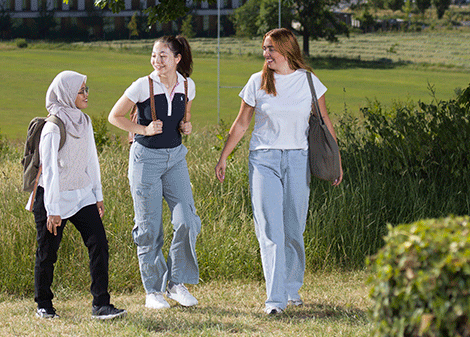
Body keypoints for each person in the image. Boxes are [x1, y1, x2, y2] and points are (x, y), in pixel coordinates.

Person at [214, 28, 343, 316]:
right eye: (264, 48)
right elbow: (241, 124)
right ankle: (275, 300)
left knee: (294, 228)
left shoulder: (309, 82)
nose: (266, 54)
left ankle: (291, 288)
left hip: (298, 158)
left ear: (286, 49)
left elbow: (324, 121)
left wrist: (337, 159)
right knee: (270, 229)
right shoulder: (257, 82)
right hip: (264, 160)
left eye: (270, 48)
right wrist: (224, 156)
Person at [107, 35, 201, 309]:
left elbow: (185, 118)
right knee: (150, 227)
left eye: (163, 56)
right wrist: (143, 130)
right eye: (154, 55)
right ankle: (153, 291)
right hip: (145, 160)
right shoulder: (142, 85)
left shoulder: (187, 85)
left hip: (176, 158)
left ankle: (175, 283)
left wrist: (187, 127)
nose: (157, 61)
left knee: (187, 220)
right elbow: (116, 116)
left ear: (177, 59)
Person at [28, 70, 126, 320]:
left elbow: (91, 159)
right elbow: (49, 171)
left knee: (99, 245)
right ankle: (44, 305)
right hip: (54, 198)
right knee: (47, 253)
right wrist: (53, 210)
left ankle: (101, 304)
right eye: (81, 90)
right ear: (67, 94)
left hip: (82, 196)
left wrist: (98, 194)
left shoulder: (85, 121)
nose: (86, 95)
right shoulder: (52, 127)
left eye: (86, 89)